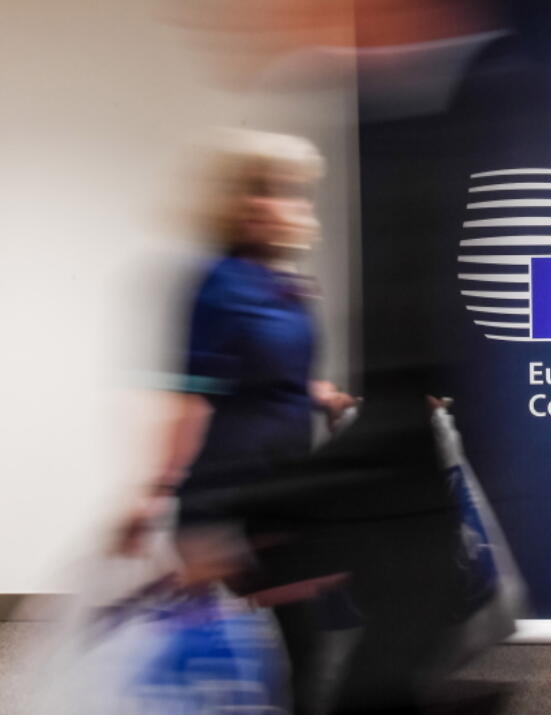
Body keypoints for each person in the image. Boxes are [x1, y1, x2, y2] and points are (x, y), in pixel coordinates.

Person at [123, 129, 359, 714]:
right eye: (256, 190)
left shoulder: (283, 282)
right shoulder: (218, 283)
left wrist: (317, 393)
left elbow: (267, 375)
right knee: (243, 643)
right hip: (230, 491)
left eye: (283, 190)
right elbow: (192, 396)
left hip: (285, 484)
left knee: (302, 637)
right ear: (232, 201)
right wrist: (154, 493)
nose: (270, 202)